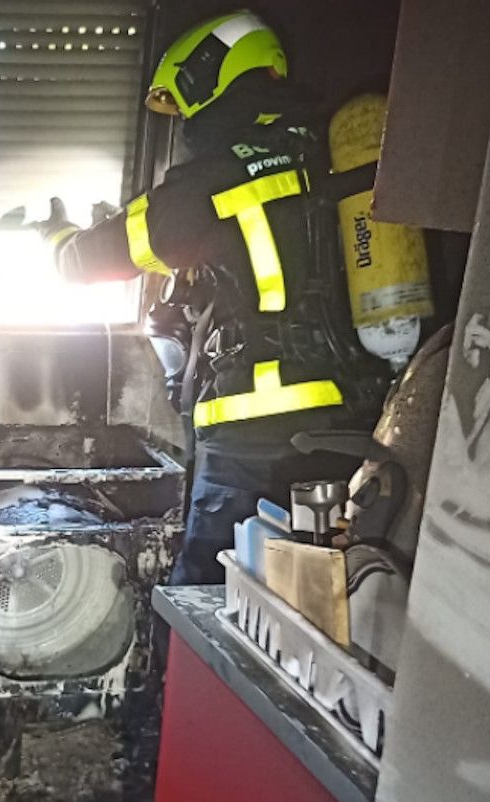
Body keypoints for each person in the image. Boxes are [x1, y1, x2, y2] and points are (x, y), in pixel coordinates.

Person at [39, 10, 384, 584]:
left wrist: (54, 237)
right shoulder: (326, 146)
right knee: (317, 601)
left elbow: (91, 261)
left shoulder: (217, 176)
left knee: (207, 608)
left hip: (256, 438)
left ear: (209, 78)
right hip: (351, 426)